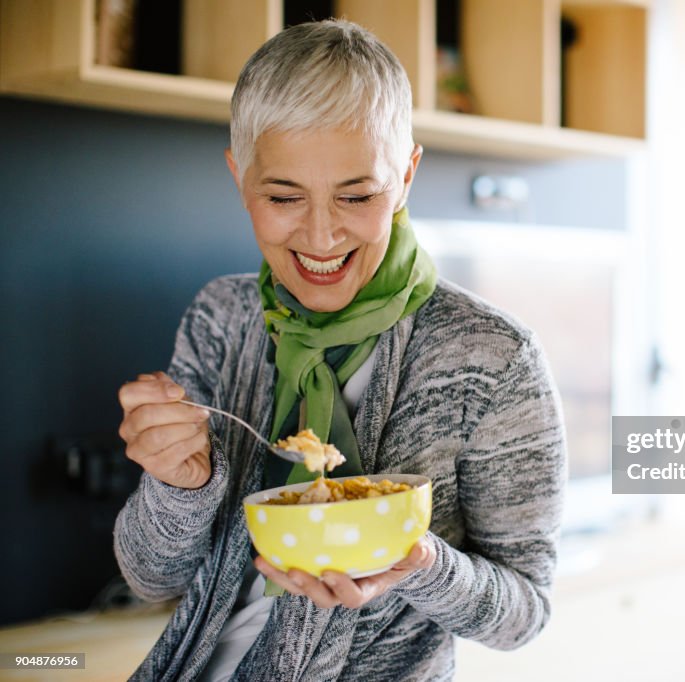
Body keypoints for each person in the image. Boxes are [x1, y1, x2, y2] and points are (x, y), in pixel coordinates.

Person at [113, 19, 566, 681]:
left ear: (406, 175)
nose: (322, 236)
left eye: (357, 194)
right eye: (283, 196)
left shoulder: (494, 357)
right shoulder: (221, 318)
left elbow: (524, 611)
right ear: (240, 177)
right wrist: (179, 485)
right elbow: (152, 576)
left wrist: (418, 564)